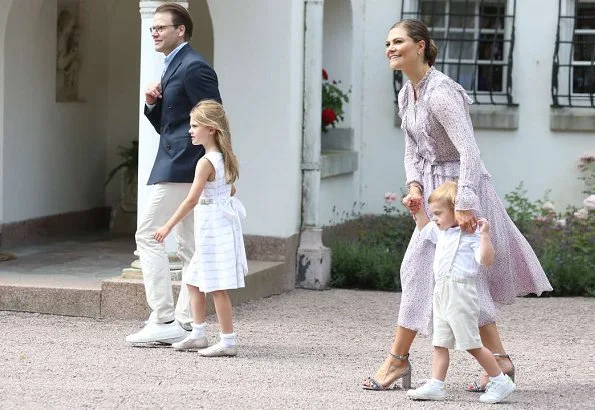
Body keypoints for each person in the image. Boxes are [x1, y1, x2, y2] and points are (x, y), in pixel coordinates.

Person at [362, 19, 552, 391]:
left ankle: (398, 361)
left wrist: (464, 202)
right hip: (435, 196)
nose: (390, 48)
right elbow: (412, 149)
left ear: (420, 46)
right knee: (444, 275)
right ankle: (500, 362)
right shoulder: (407, 93)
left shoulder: (442, 92)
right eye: (387, 42)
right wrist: (415, 185)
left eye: (398, 41)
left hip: (462, 192)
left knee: (448, 274)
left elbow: (469, 151)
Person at [126, 3, 222, 344]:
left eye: (161, 27)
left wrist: (218, 167)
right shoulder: (173, 65)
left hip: (184, 165)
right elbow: (173, 125)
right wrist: (153, 103)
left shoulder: (194, 67)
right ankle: (183, 322)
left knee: (148, 234)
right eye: (153, 28)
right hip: (179, 160)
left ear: (180, 30)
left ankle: (164, 316)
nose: (154, 32)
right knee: (189, 246)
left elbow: (213, 116)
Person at [406, 181, 516, 404]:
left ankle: (500, 381)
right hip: (442, 292)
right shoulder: (441, 233)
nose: (434, 218)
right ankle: (436, 385)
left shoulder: (472, 236)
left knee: (471, 343)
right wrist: (416, 208)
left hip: (461, 293)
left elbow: (486, 260)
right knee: (440, 342)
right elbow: (423, 226)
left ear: (456, 212)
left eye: (438, 213)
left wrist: (485, 235)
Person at [153, 100, 247, 357]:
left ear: (211, 129)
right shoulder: (224, 159)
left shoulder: (206, 162)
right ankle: (198, 333)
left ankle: (228, 341)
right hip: (215, 226)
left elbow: (191, 199)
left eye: (195, 126)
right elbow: (231, 189)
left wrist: (167, 226)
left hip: (214, 229)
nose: (190, 130)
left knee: (216, 286)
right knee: (193, 281)